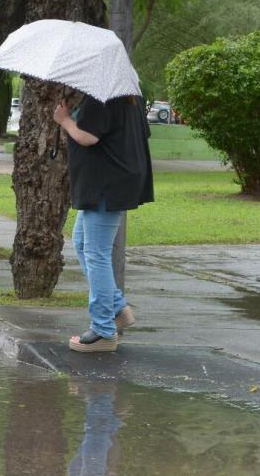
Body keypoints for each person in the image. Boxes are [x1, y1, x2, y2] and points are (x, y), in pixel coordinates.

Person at [54, 93, 154, 352]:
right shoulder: (129, 97)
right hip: (112, 181)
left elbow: (88, 137)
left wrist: (64, 120)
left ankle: (103, 331)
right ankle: (117, 308)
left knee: (95, 252)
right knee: (82, 241)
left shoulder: (102, 98)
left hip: (105, 183)